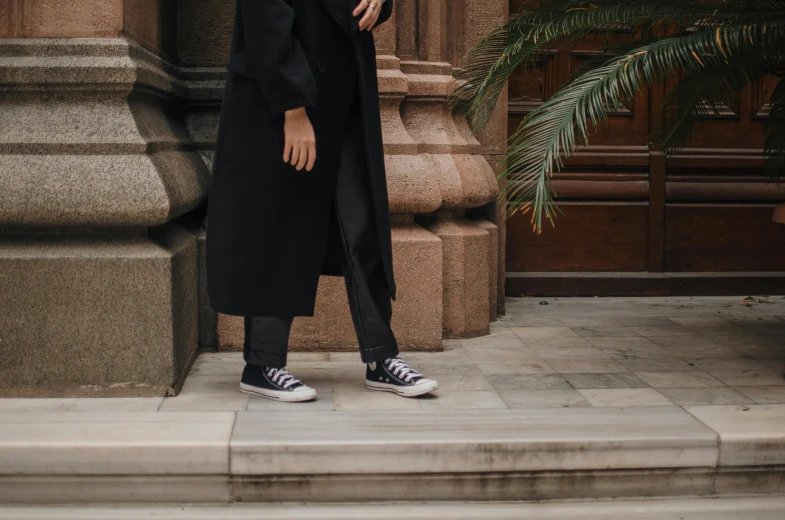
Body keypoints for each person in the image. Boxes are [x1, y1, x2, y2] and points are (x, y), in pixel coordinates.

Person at [205, 0, 439, 402]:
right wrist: (292, 108)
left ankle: (381, 357)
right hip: (281, 99)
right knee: (280, 221)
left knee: (360, 223)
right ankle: (262, 363)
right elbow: (263, 13)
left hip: (345, 93)